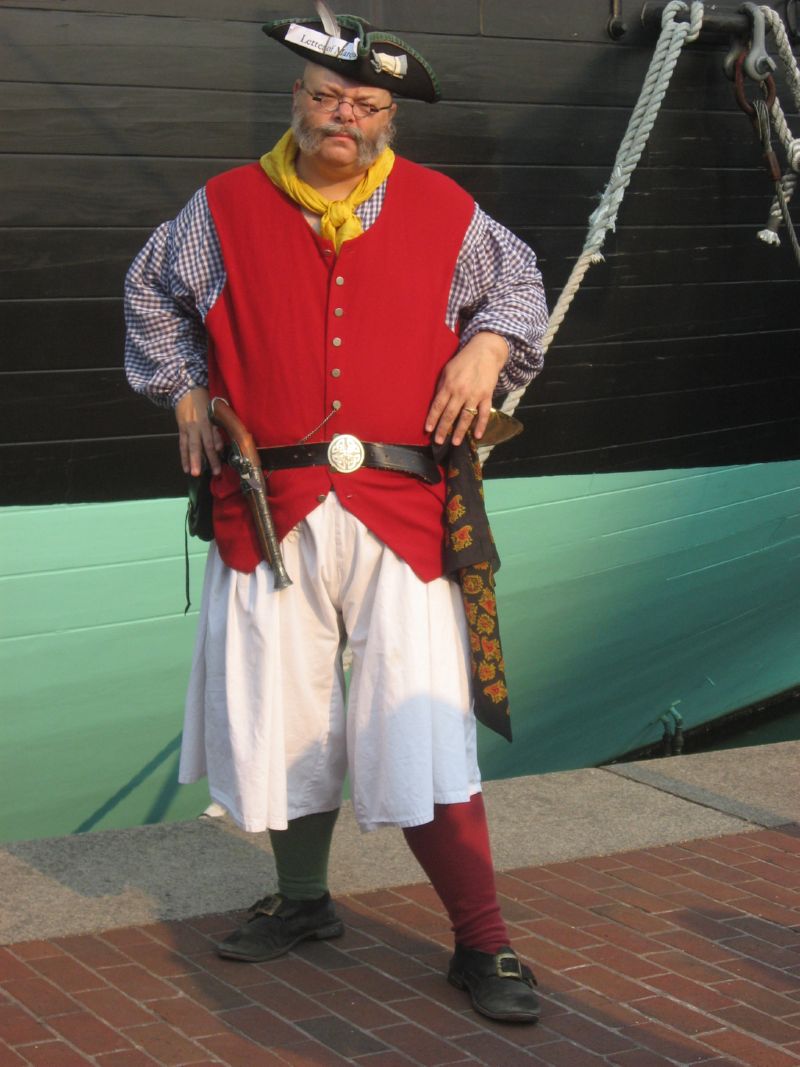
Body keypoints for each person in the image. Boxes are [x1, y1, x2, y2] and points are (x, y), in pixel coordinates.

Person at [125, 6, 548, 1025]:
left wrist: (488, 347)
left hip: (402, 509)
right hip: (267, 507)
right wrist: (184, 390)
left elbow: (519, 287)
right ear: (297, 99)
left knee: (423, 723)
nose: (342, 117)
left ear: (388, 118)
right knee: (284, 715)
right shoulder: (219, 209)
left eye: (364, 104)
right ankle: (305, 899)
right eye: (326, 97)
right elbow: (149, 293)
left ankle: (482, 940)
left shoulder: (444, 208)